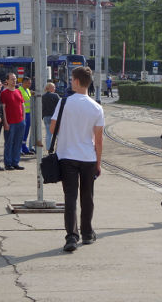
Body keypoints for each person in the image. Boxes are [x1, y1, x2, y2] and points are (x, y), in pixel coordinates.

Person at [50, 66, 104, 252]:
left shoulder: (64, 103)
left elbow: (52, 129)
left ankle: (71, 237)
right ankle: (88, 233)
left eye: (72, 79)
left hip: (67, 156)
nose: (71, 82)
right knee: (87, 196)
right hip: (88, 157)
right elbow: (98, 139)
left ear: (77, 81)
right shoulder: (97, 107)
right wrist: (98, 163)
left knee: (70, 197)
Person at [1, 73, 25, 171]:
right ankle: (8, 163)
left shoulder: (18, 91)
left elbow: (22, 105)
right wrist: (5, 122)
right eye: (12, 79)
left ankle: (16, 162)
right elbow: (3, 109)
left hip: (20, 122)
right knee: (9, 143)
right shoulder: (4, 93)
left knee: (18, 143)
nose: (14, 81)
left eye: (15, 79)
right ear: (7, 81)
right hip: (10, 122)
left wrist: (23, 118)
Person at [42, 82, 60, 151]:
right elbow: (60, 105)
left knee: (48, 134)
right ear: (50, 88)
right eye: (54, 87)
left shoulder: (43, 96)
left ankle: (48, 148)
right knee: (57, 134)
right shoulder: (55, 95)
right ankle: (58, 148)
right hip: (54, 117)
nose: (55, 88)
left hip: (46, 116)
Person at [18, 77, 34, 155]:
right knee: (21, 131)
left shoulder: (27, 90)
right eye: (28, 83)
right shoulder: (19, 90)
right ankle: (19, 148)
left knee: (26, 132)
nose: (29, 84)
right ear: (23, 82)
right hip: (22, 114)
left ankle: (24, 147)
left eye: (30, 83)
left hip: (28, 113)